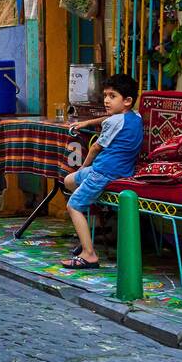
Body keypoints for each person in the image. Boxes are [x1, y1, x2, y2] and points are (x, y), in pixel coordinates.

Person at [60, 74, 143, 270]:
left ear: (127, 101)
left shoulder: (115, 122)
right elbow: (111, 118)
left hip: (103, 172)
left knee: (74, 206)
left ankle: (89, 255)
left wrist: (83, 167)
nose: (106, 100)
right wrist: (87, 123)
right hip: (120, 170)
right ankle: (93, 231)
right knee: (69, 181)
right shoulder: (135, 116)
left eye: (112, 96)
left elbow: (96, 148)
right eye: (105, 95)